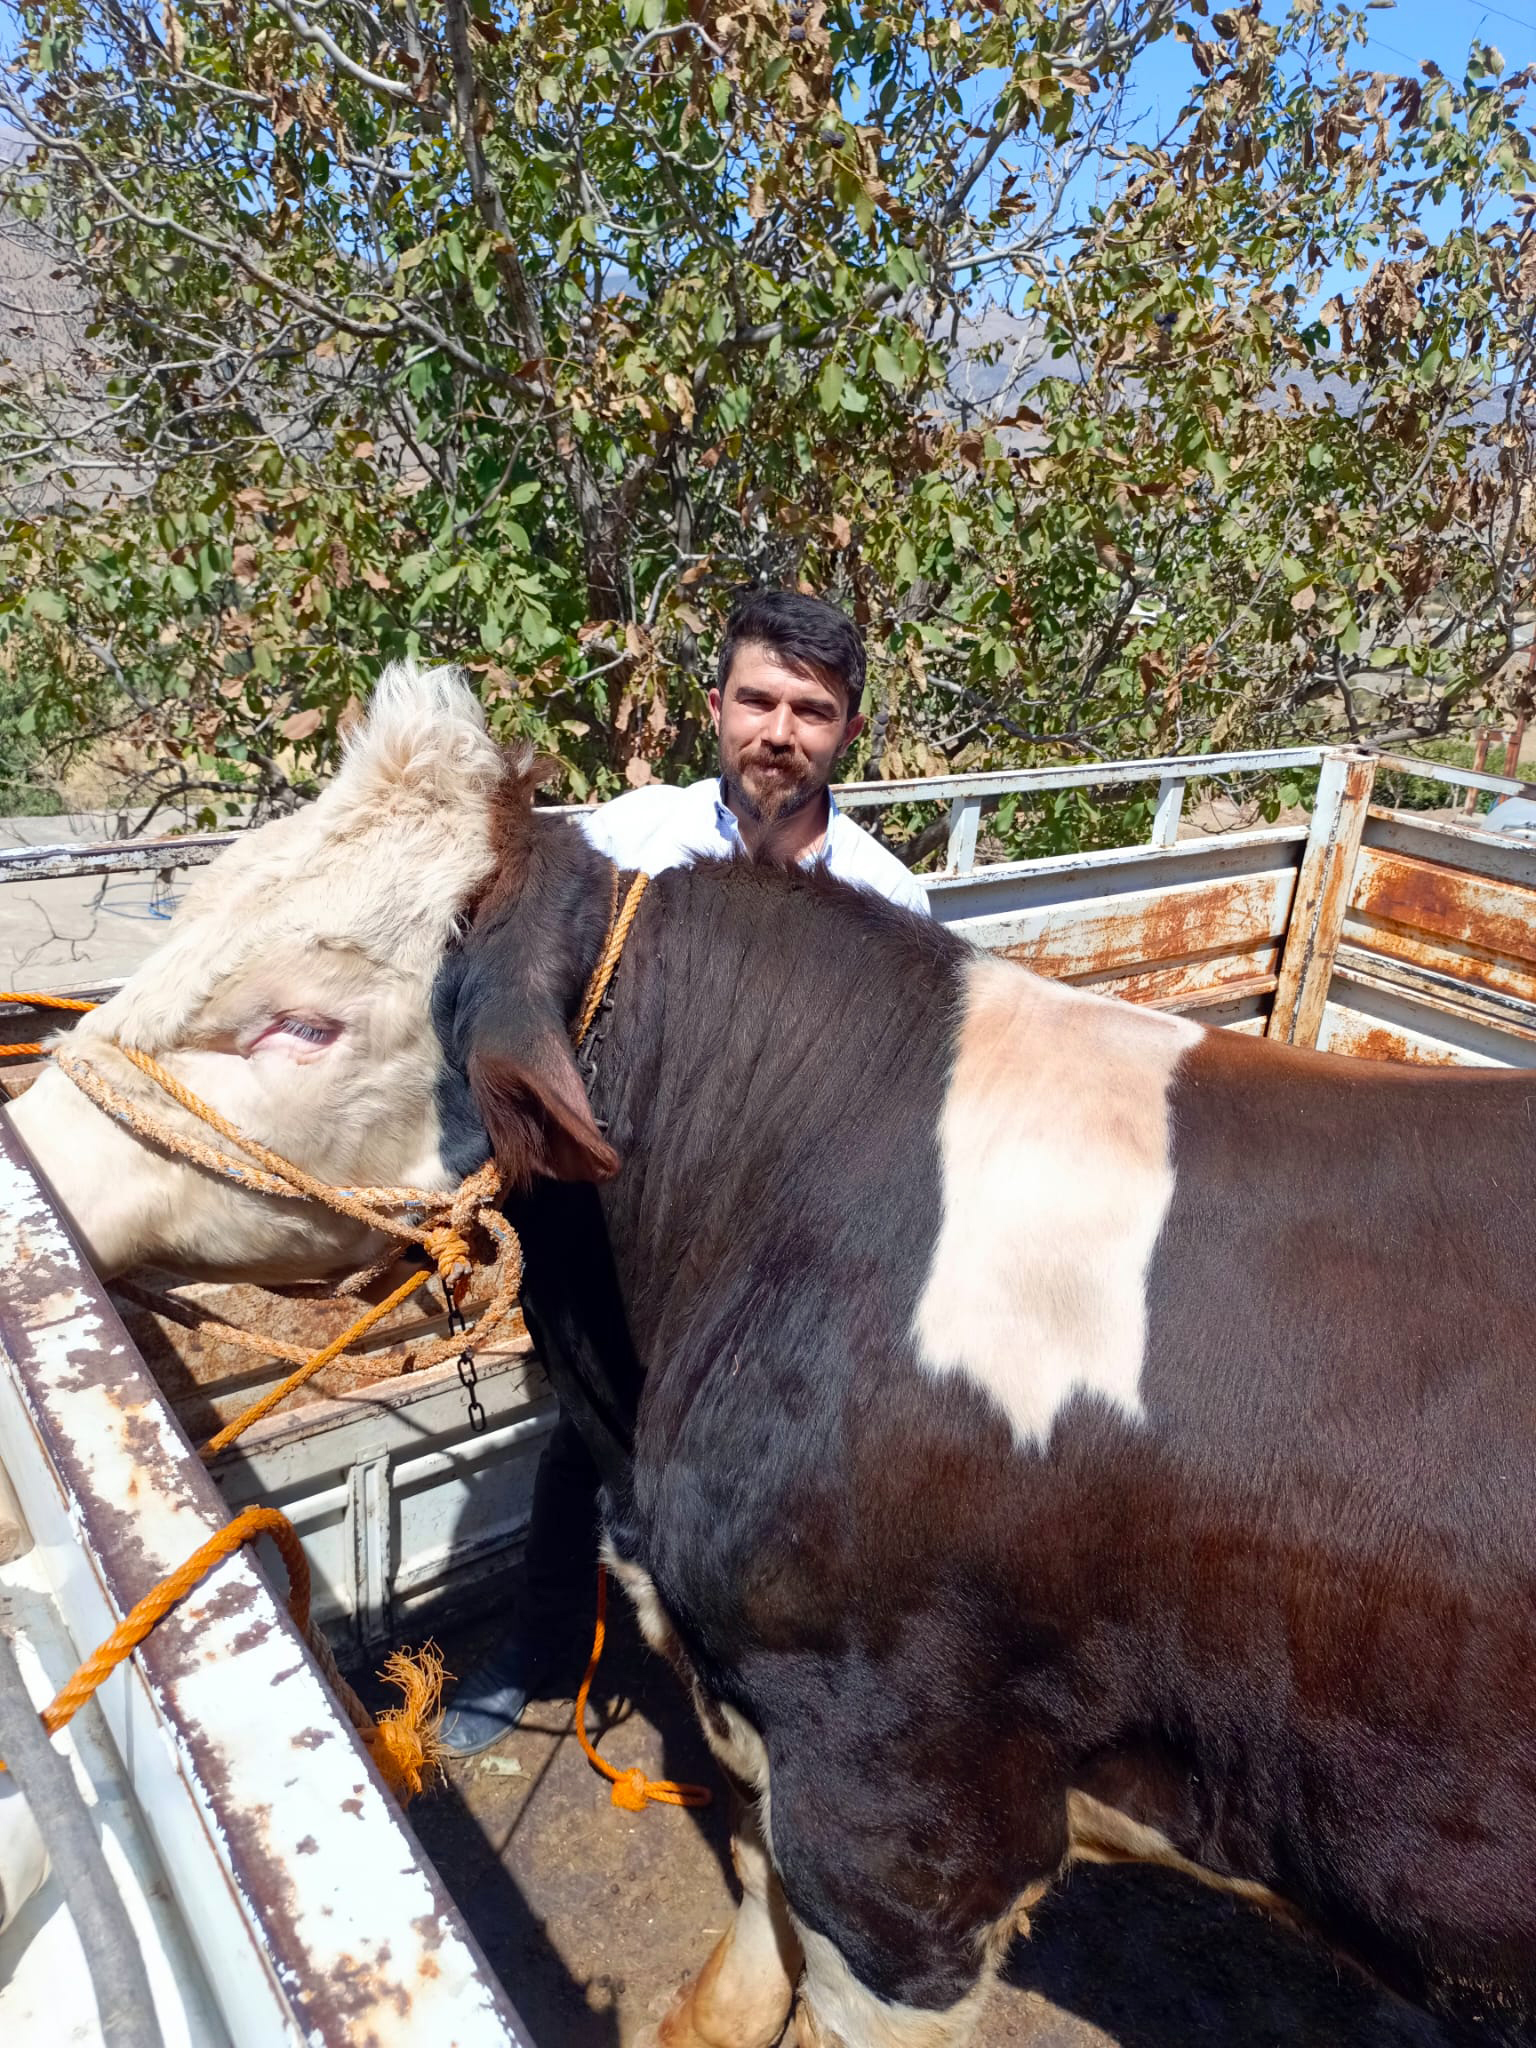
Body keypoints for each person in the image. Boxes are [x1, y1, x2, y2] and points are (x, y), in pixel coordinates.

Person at [440, 587, 932, 1754]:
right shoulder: (625, 841)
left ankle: (759, 1711)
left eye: (811, 709)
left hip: (788, 1257)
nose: (780, 730)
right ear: (713, 705)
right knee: (586, 1446)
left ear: (846, 730)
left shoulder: (893, 901)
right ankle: (541, 1647)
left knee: (778, 1498)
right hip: (626, 1229)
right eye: (757, 698)